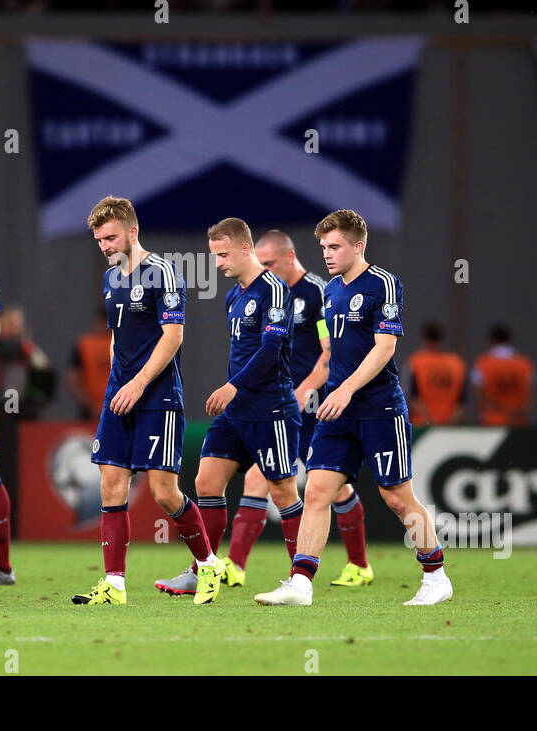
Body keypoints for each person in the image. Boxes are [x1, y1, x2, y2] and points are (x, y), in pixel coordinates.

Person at [254, 210, 451, 607]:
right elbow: (329, 348)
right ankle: (301, 583)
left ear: (358, 245)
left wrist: (343, 389)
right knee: (317, 491)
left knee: (397, 497)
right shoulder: (329, 292)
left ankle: (436, 577)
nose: (327, 254)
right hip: (337, 410)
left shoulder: (383, 284)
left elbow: (385, 348)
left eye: (335, 246)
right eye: (323, 247)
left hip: (379, 406)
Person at [72, 196, 221, 605]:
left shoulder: (163, 272)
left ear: (132, 232)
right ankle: (114, 585)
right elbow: (118, 336)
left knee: (163, 491)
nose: (103, 246)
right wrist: (116, 383)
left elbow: (173, 336)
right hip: (120, 395)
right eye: (99, 240)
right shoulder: (110, 279)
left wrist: (137, 383)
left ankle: (208, 566)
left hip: (157, 396)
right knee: (111, 483)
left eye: (110, 237)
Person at [153, 219, 300, 601]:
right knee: (205, 483)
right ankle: (203, 568)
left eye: (222, 254)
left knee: (283, 491)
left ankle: (300, 579)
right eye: (214, 255)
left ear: (245, 248)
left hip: (271, 407)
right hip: (237, 410)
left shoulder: (275, 290)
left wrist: (232, 385)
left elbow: (271, 351)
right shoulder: (234, 296)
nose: (217, 263)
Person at [219, 229, 373, 589]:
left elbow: (329, 351)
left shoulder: (317, 293)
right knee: (259, 478)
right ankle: (236, 565)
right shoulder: (263, 292)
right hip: (280, 406)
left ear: (290, 257)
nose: (263, 268)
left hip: (313, 404)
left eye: (269, 262)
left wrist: (304, 391)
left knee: (335, 488)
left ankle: (359, 565)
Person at [472, 324, 535, 426]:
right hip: (517, 421)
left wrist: (500, 410)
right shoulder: (525, 364)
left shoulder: (482, 364)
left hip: (491, 421)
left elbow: (479, 394)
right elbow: (531, 395)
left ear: (491, 340)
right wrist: (515, 412)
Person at [406, 321, 468, 426]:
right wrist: (449, 423)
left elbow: (411, 398)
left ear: (424, 339)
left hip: (421, 426)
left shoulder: (416, 362)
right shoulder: (457, 363)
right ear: (441, 338)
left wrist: (430, 421)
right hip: (449, 426)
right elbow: (462, 401)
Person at [67, 307, 113, 421]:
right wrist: (89, 406)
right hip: (98, 410)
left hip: (101, 408)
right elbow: (74, 379)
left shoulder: (84, 344)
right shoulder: (84, 345)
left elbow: (73, 379)